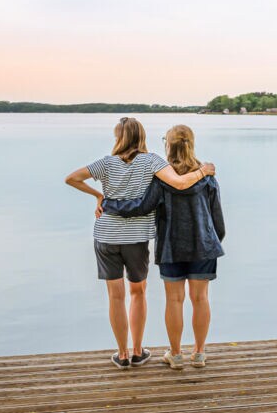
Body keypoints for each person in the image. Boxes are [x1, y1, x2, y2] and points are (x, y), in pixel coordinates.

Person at [65, 117, 215, 369]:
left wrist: (99, 196)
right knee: (139, 292)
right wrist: (204, 171)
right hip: (138, 238)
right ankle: (140, 351)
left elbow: (72, 178)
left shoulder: (106, 163)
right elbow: (182, 185)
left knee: (115, 296)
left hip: (106, 235)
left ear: (119, 138)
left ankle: (123, 355)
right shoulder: (152, 162)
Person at [102, 124, 224, 370]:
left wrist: (109, 204)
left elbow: (140, 207)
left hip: (171, 247)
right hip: (204, 246)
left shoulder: (161, 178)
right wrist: (213, 241)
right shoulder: (208, 177)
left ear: (168, 145)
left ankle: (176, 355)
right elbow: (218, 220)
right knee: (201, 298)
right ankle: (199, 353)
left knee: (175, 301)